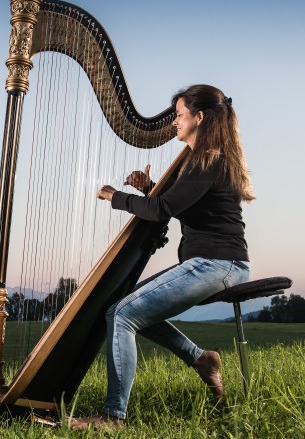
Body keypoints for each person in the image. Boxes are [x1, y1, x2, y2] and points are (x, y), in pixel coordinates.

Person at [70, 84, 255, 431]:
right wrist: (148, 186)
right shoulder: (202, 160)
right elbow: (176, 203)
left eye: (179, 115)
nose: (174, 122)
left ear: (198, 118)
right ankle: (201, 360)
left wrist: (116, 196)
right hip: (212, 263)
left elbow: (162, 209)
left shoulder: (208, 160)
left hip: (220, 265)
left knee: (121, 315)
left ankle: (113, 418)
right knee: (128, 306)